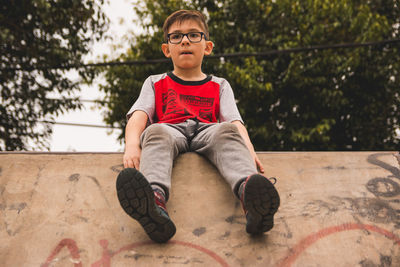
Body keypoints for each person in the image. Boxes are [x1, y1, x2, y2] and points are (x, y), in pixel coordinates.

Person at [116, 9, 280, 243]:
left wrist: (249, 150)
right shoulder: (155, 82)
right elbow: (139, 116)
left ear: (207, 46)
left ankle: (251, 196)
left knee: (226, 131)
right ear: (167, 49)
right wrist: (132, 146)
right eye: (176, 36)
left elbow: (234, 121)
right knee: (155, 131)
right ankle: (153, 202)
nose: (185, 40)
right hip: (170, 129)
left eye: (194, 35)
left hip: (208, 130)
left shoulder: (220, 84)